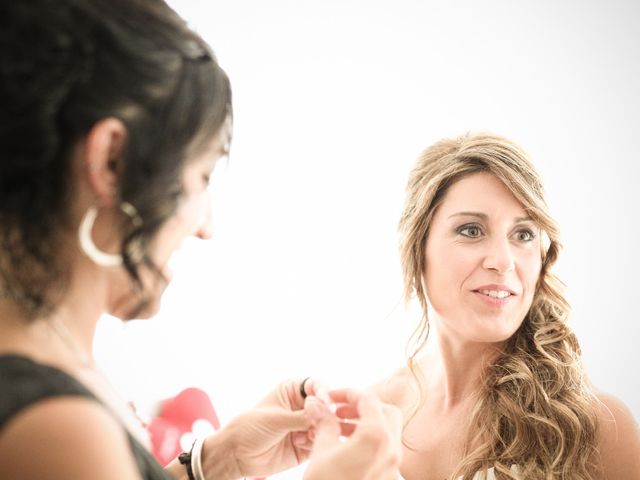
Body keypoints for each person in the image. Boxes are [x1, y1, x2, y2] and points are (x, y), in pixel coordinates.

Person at [0, 1, 402, 479]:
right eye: (201, 176)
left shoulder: (45, 357)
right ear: (110, 160)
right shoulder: (57, 425)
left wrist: (215, 460)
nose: (205, 225)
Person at [372, 132, 640, 479]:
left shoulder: (595, 429)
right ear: (416, 247)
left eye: (524, 234)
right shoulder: (373, 413)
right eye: (471, 230)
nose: (503, 260)